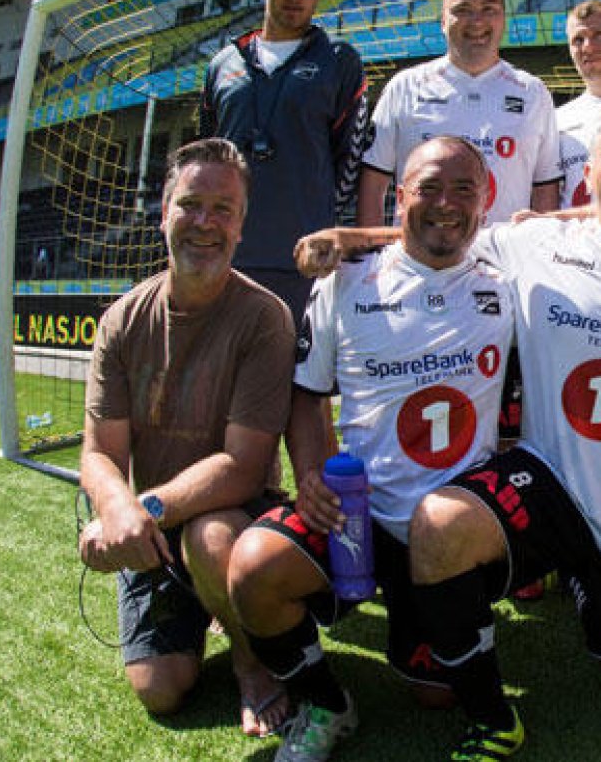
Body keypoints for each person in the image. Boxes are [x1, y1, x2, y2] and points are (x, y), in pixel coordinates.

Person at [297, 111, 601, 759]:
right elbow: (439, 230)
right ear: (588, 172)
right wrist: (351, 236)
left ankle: (587, 579)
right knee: (440, 562)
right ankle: (493, 714)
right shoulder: (530, 241)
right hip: (549, 480)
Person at [227, 137, 513, 762]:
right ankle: (325, 703)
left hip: (448, 534)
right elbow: (307, 395)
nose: (446, 203)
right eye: (428, 188)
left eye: (463, 190)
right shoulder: (346, 281)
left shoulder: (508, 278)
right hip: (357, 513)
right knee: (252, 570)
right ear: (399, 197)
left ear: (485, 203)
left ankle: (437, 614)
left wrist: (352, 233)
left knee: (435, 693)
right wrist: (310, 476)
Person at [76, 138, 296, 738]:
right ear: (164, 211)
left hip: (234, 513)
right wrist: (115, 510)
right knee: (161, 690)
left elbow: (243, 466)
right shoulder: (122, 320)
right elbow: (99, 452)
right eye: (191, 204)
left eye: (223, 210)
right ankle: (207, 601)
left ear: (241, 226)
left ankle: (252, 662)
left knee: (210, 535)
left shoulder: (264, 318)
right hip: (156, 527)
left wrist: (143, 509)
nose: (205, 222)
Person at [201, 0, 369, 320]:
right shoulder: (222, 64)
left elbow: (350, 158)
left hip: (301, 262)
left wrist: (317, 221)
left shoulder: (339, 61)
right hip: (226, 255)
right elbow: (206, 154)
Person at [357, 0, 561, 227]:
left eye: (489, 9)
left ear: (503, 19)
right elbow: (373, 183)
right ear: (443, 22)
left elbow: (545, 188)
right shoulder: (404, 86)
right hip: (421, 251)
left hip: (502, 251)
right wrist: (371, 248)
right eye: (462, 10)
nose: (477, 21)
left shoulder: (533, 92)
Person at [555, 0, 601, 209]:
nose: (588, 47)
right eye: (578, 40)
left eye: (599, 35)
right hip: (573, 230)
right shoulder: (557, 120)